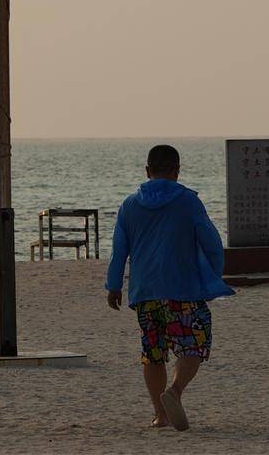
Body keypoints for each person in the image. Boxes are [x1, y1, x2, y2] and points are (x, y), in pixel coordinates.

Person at [103, 144, 234, 431]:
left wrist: (113, 286)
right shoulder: (188, 202)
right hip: (183, 288)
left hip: (144, 291)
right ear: (177, 171)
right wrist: (214, 273)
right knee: (194, 344)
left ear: (147, 170)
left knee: (153, 352)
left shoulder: (129, 205)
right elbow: (210, 240)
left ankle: (160, 414)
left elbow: (118, 251)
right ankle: (174, 391)